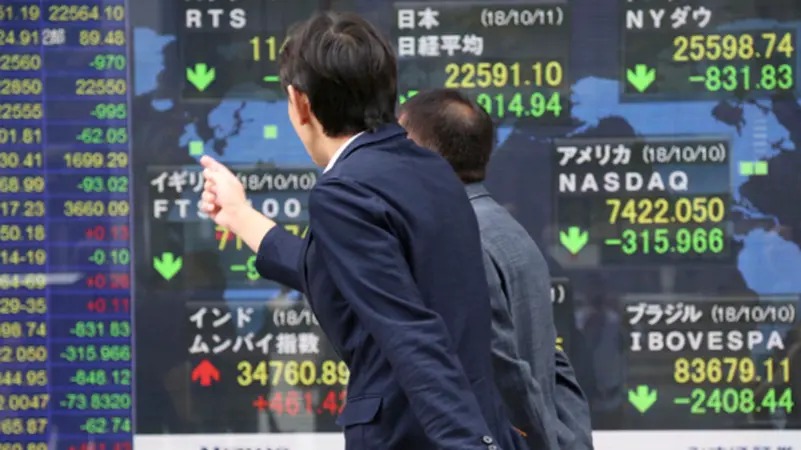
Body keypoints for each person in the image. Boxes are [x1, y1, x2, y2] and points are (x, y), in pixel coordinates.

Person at [199, 12, 526, 450]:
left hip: (413, 437)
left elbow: (409, 331)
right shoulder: (431, 169)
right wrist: (240, 216)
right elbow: (339, 272)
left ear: (300, 102)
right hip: (467, 424)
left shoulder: (344, 190)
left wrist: (471, 445)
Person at [399, 89, 594, 450]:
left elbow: (505, 369)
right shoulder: (511, 231)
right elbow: (550, 360)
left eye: (400, 141)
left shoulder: (457, 241)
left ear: (419, 149)